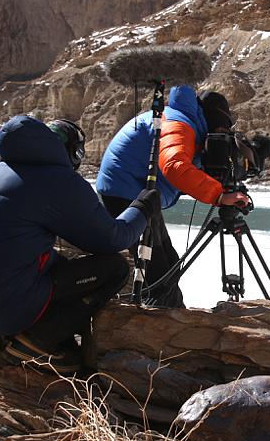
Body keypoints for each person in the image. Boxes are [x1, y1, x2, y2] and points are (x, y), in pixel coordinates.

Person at [0, 116, 156, 374]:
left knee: (57, 263)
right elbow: (114, 239)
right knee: (114, 269)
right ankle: (36, 342)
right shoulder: (57, 181)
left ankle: (26, 335)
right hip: (0, 308)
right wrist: (142, 208)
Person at [95, 87, 248, 308]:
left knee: (169, 262)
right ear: (212, 118)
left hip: (137, 192)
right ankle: (158, 323)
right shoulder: (180, 125)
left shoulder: (187, 123)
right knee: (157, 268)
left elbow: (181, 166)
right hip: (124, 192)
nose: (223, 132)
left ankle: (172, 314)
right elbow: (175, 167)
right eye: (222, 127)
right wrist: (219, 196)